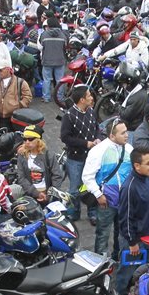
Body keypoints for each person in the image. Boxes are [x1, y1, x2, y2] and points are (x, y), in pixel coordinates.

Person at [82, 119, 134, 258]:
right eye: (123, 133)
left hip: (124, 201)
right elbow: (87, 176)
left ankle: (117, 257)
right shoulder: (98, 151)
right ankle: (100, 262)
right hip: (106, 201)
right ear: (112, 136)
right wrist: (99, 195)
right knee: (103, 233)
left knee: (122, 232)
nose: (127, 135)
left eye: (126, 131)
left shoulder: (129, 149)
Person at [115, 147, 149, 295]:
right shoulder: (129, 187)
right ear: (136, 166)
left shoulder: (147, 179)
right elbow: (125, 218)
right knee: (126, 274)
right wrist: (132, 243)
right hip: (134, 242)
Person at [61, 86, 101, 223]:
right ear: (82, 99)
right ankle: (74, 211)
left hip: (92, 158)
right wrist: (86, 144)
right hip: (75, 159)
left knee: (92, 185)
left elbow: (97, 128)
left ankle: (93, 212)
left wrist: (97, 138)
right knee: (75, 188)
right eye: (89, 95)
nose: (92, 98)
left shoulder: (91, 111)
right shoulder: (69, 116)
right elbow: (65, 138)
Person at [13, 127, 62, 203]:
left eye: (31, 139)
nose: (27, 142)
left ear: (38, 140)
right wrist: (36, 193)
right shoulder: (22, 155)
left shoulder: (48, 155)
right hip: (30, 195)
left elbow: (57, 175)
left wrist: (51, 195)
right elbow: (21, 177)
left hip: (47, 194)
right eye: (25, 139)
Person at [0, 64, 32, 130]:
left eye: (0, 70)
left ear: (7, 70)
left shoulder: (20, 82)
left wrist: (19, 105)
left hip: (15, 118)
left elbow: (28, 97)